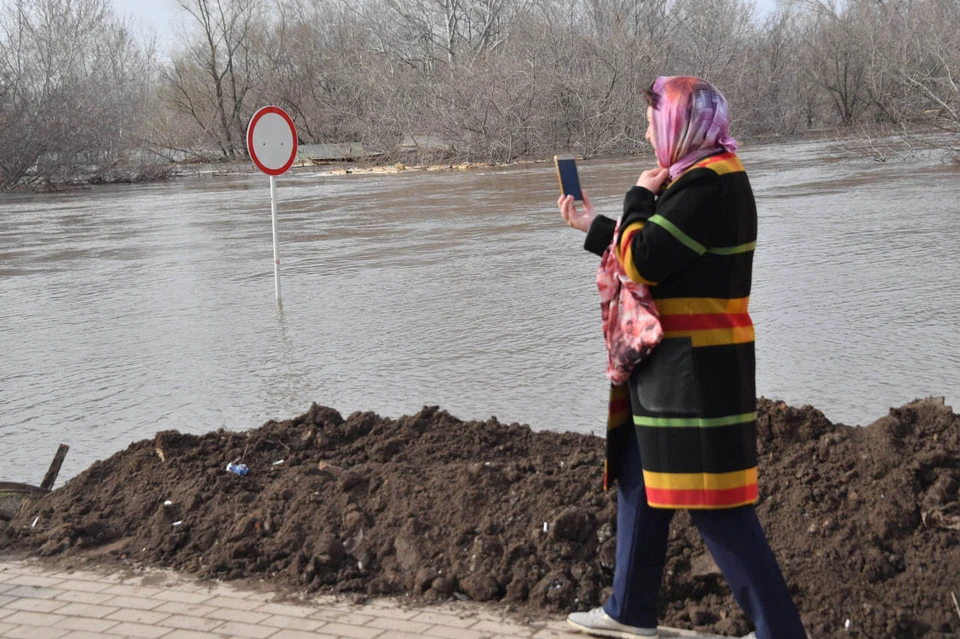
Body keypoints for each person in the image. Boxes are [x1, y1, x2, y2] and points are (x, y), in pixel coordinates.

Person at [557, 76, 807, 639]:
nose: (646, 130)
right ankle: (629, 610)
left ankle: (780, 631)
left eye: (652, 119)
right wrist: (591, 225)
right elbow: (662, 252)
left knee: (716, 504)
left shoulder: (707, 184)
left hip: (695, 371)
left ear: (681, 123)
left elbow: (644, 258)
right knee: (639, 477)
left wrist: (636, 197)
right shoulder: (699, 176)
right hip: (677, 366)